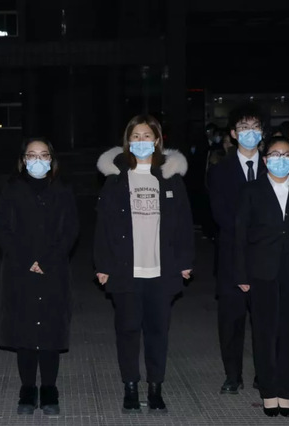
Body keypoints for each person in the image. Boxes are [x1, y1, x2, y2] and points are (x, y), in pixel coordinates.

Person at [94, 114, 193, 413]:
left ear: (157, 140)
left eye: (146, 135)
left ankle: (155, 388)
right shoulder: (115, 179)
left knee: (157, 333)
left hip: (162, 269)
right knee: (127, 331)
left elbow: (185, 223)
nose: (141, 141)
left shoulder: (170, 177)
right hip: (126, 269)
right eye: (135, 136)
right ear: (128, 141)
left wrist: (185, 261)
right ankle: (130, 387)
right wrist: (102, 265)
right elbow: (103, 226)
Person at [235, 136, 289, 417]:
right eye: (275, 154)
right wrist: (240, 273)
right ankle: (268, 390)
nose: (281, 159)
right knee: (264, 333)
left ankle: (286, 392)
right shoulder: (251, 191)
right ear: (265, 160)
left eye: (286, 155)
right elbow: (239, 235)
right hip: (261, 271)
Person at [0, 138, 79, 416]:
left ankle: (50, 388)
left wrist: (47, 260)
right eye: (32, 155)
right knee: (25, 331)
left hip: (53, 271)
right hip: (21, 271)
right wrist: (26, 260)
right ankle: (28, 389)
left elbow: (71, 230)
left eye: (43, 155)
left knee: (51, 330)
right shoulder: (12, 189)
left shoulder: (63, 190)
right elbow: (1, 228)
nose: (38, 160)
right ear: (23, 160)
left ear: (52, 160)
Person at [208, 103, 266, 394]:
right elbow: (221, 214)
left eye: (255, 127)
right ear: (233, 133)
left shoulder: (274, 167)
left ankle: (264, 374)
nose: (249, 133)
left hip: (267, 257)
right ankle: (233, 375)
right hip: (232, 256)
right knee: (231, 321)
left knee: (265, 321)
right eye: (243, 128)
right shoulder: (221, 171)